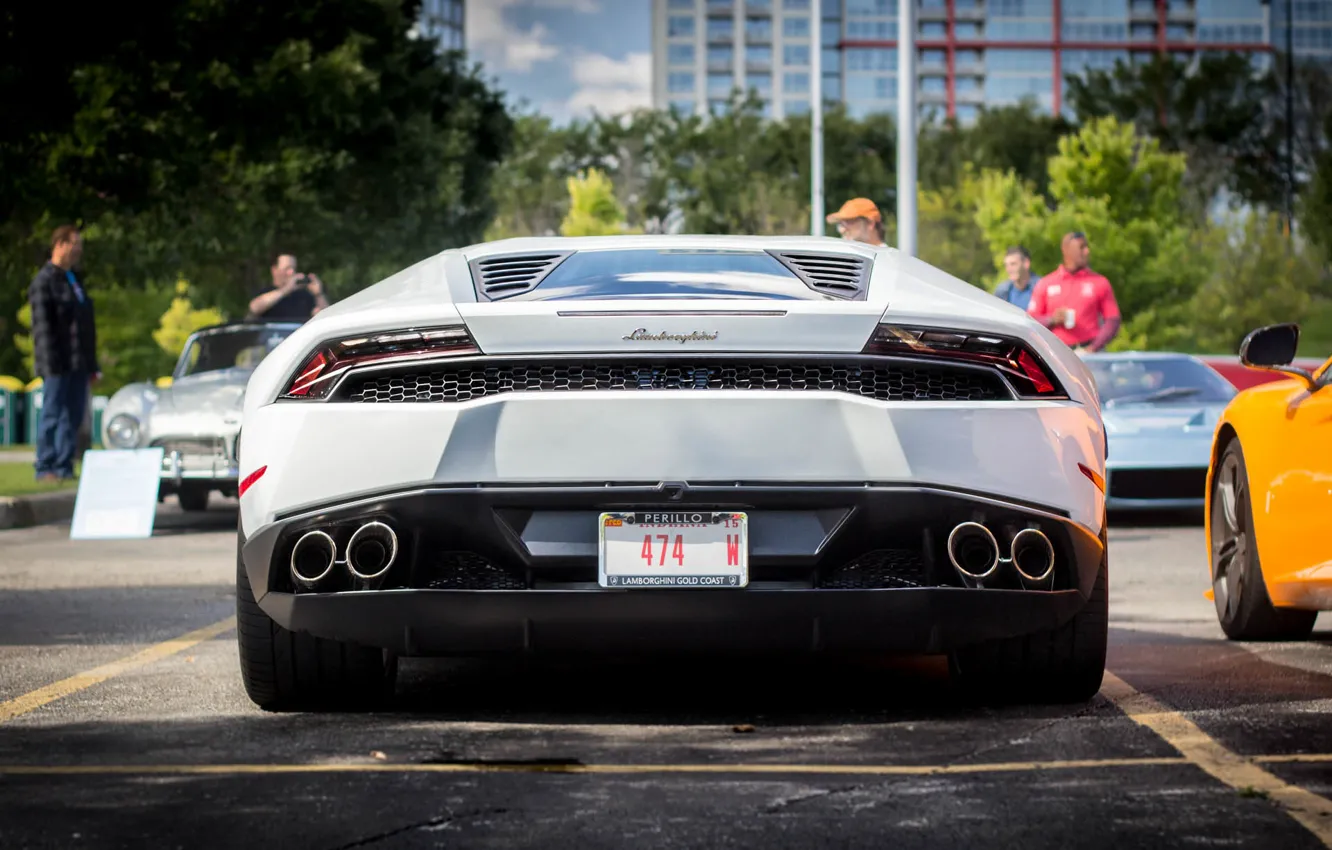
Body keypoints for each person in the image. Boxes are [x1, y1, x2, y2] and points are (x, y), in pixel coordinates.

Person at [29, 225, 100, 482]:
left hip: (78, 362)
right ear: (59, 244)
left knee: (72, 415)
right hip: (56, 363)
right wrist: (50, 364)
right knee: (52, 413)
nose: (79, 249)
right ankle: (45, 466)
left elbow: (85, 326)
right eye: (75, 244)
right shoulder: (44, 281)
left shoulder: (74, 280)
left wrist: (92, 364)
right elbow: (42, 329)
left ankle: (64, 465)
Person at [1027, 231, 1121, 353]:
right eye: (1082, 247)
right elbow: (1030, 321)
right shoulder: (1046, 283)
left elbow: (1112, 320)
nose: (1087, 251)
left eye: (1087, 247)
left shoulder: (1099, 282)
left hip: (1092, 353)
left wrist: (1093, 348)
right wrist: (1052, 319)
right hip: (1058, 354)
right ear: (1066, 250)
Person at [248, 253, 329, 321]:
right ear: (274, 270)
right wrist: (286, 289)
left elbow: (327, 318)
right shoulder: (265, 292)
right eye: (287, 268)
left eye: (293, 268)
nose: (291, 272)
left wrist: (318, 294)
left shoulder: (304, 295)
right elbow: (254, 308)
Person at [994, 245, 1040, 312]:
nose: (1008, 269)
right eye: (1006, 265)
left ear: (1026, 263)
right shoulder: (1001, 291)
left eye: (1013, 264)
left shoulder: (1041, 287)